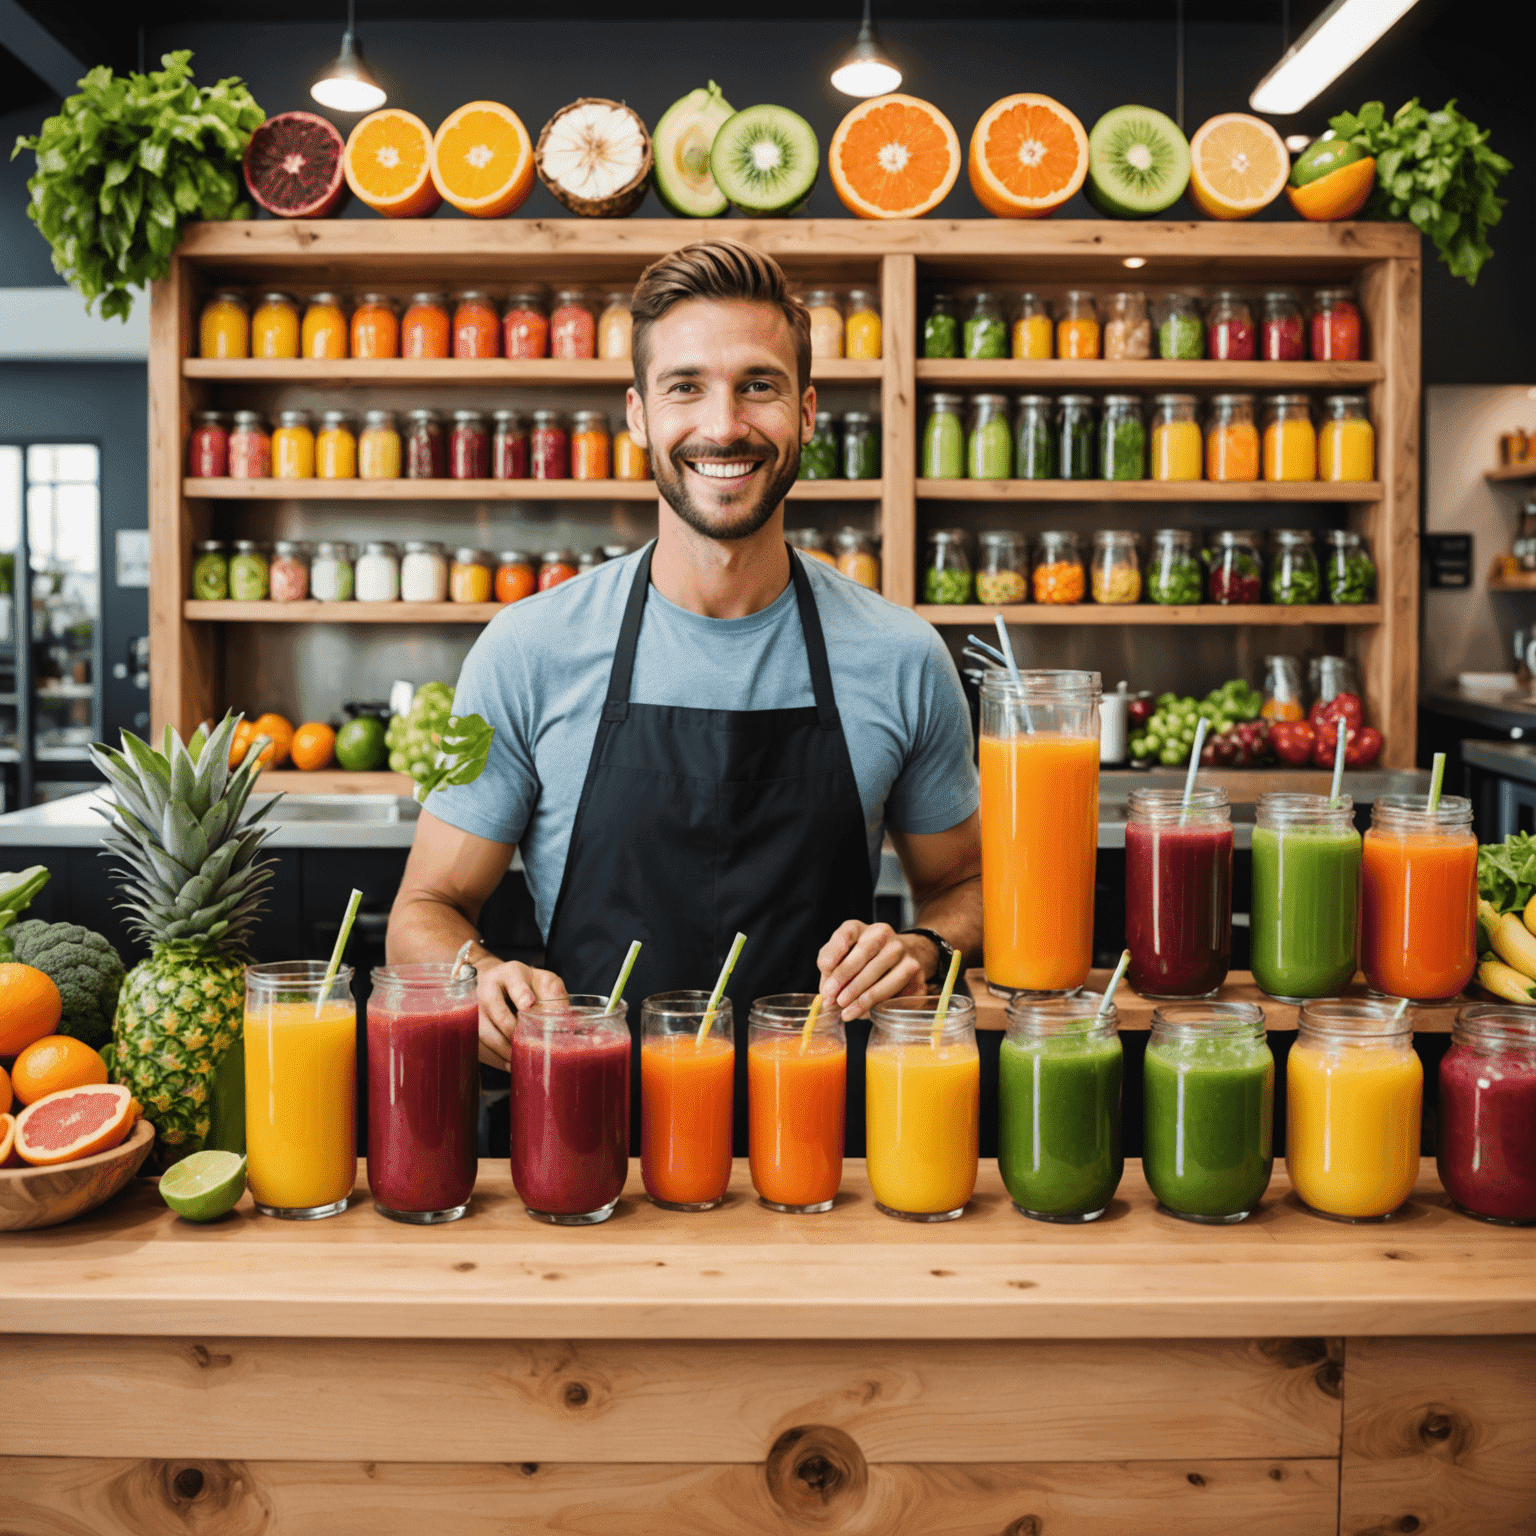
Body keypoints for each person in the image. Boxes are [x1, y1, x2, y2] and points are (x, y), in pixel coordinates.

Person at [387, 239, 981, 1150]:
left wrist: (925, 951)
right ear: (636, 414)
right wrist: (480, 976)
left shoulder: (904, 657)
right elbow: (421, 914)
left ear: (808, 412)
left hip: (828, 1153)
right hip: (590, 1150)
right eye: (685, 386)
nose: (724, 423)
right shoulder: (518, 651)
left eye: (759, 385)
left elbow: (969, 886)